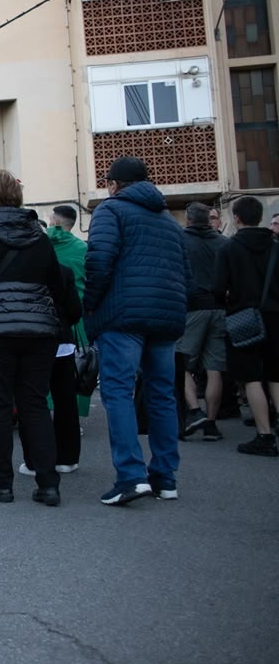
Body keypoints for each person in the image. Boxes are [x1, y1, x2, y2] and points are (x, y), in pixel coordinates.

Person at [0, 169, 74, 507]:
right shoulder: (39, 235)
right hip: (39, 331)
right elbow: (57, 284)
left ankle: (1, 483)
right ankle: (48, 484)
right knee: (35, 404)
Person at [83, 157, 189, 504]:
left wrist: (91, 306)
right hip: (165, 317)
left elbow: (99, 261)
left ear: (113, 184)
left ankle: (131, 476)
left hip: (122, 316)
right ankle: (165, 478)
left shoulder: (111, 211)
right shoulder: (170, 222)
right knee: (161, 395)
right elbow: (185, 274)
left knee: (118, 392)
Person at [214, 195, 279, 457]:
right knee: (276, 375)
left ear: (237, 218)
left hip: (244, 319)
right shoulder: (276, 246)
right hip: (276, 316)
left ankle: (264, 435)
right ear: (260, 217)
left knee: (251, 378)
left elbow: (218, 289)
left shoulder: (229, 249)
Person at [43, 205, 89, 473]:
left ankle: (38, 451)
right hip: (72, 323)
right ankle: (69, 452)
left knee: (35, 389)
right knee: (68, 387)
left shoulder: (41, 246)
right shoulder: (82, 249)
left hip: (37, 324)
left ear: (54, 221)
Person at [178, 202, 228, 442]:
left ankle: (194, 412)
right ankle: (211, 423)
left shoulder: (180, 241)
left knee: (184, 363)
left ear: (188, 219)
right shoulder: (223, 242)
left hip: (192, 308)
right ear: (209, 219)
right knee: (214, 367)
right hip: (219, 307)